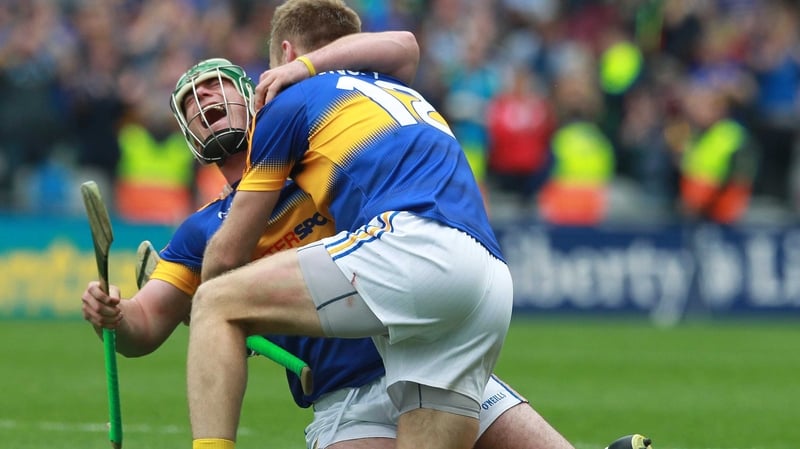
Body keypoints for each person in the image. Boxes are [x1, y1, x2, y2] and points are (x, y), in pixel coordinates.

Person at [83, 42, 648, 449]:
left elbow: (400, 51)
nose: (204, 99)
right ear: (188, 133)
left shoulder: (314, 159)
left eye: (216, 86)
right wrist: (114, 314)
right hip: (345, 397)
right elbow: (143, 327)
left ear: (252, 95)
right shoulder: (201, 231)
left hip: (418, 342)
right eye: (190, 101)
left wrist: (220, 299)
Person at [191, 1, 513, 448]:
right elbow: (406, 44)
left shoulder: (290, 102)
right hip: (489, 280)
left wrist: (205, 305)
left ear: (286, 54)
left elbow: (227, 256)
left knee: (215, 302)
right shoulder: (393, 84)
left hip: (413, 248)